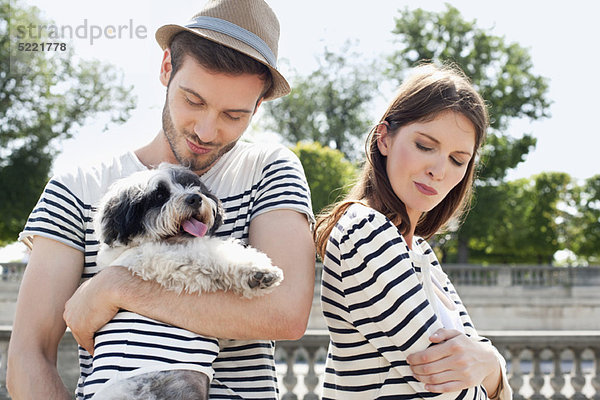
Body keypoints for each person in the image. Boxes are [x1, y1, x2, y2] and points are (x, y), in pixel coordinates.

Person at [7, 1, 316, 399]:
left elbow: (286, 314)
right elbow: (28, 358)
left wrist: (117, 286)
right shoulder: (76, 186)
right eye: (194, 100)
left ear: (259, 106)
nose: (206, 131)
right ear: (166, 67)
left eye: (234, 115)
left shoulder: (269, 169)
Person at [314, 64, 512, 399]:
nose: (438, 170)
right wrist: (492, 367)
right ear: (385, 138)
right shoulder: (365, 230)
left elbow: (476, 372)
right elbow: (447, 385)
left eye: (457, 160)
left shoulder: (419, 251)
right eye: (424, 145)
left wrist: (488, 363)